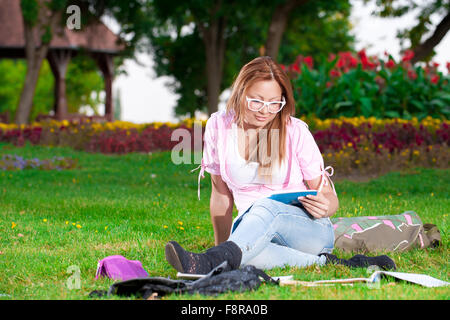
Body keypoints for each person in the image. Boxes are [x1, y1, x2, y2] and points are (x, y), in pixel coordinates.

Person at [165, 56, 396, 275]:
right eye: (256, 101)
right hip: (253, 230)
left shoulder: (294, 131)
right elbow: (220, 195)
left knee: (266, 207)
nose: (265, 110)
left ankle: (209, 261)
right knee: (247, 255)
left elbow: (328, 194)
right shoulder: (218, 126)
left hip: (307, 229)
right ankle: (332, 264)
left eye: (275, 103)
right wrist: (223, 245)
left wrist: (326, 206)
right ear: (239, 93)